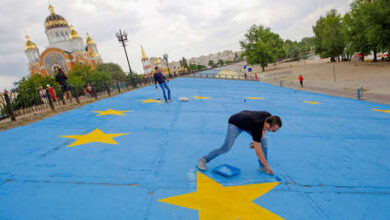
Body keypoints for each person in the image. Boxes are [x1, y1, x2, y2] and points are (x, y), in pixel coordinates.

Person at [197, 110, 282, 175]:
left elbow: (263, 130)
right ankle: (204, 159)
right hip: (236, 123)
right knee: (226, 148)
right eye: (273, 130)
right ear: (268, 124)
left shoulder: (268, 117)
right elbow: (258, 151)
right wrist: (268, 165)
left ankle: (262, 167)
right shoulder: (256, 125)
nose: (273, 131)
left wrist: (258, 140)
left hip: (247, 121)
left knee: (264, 141)